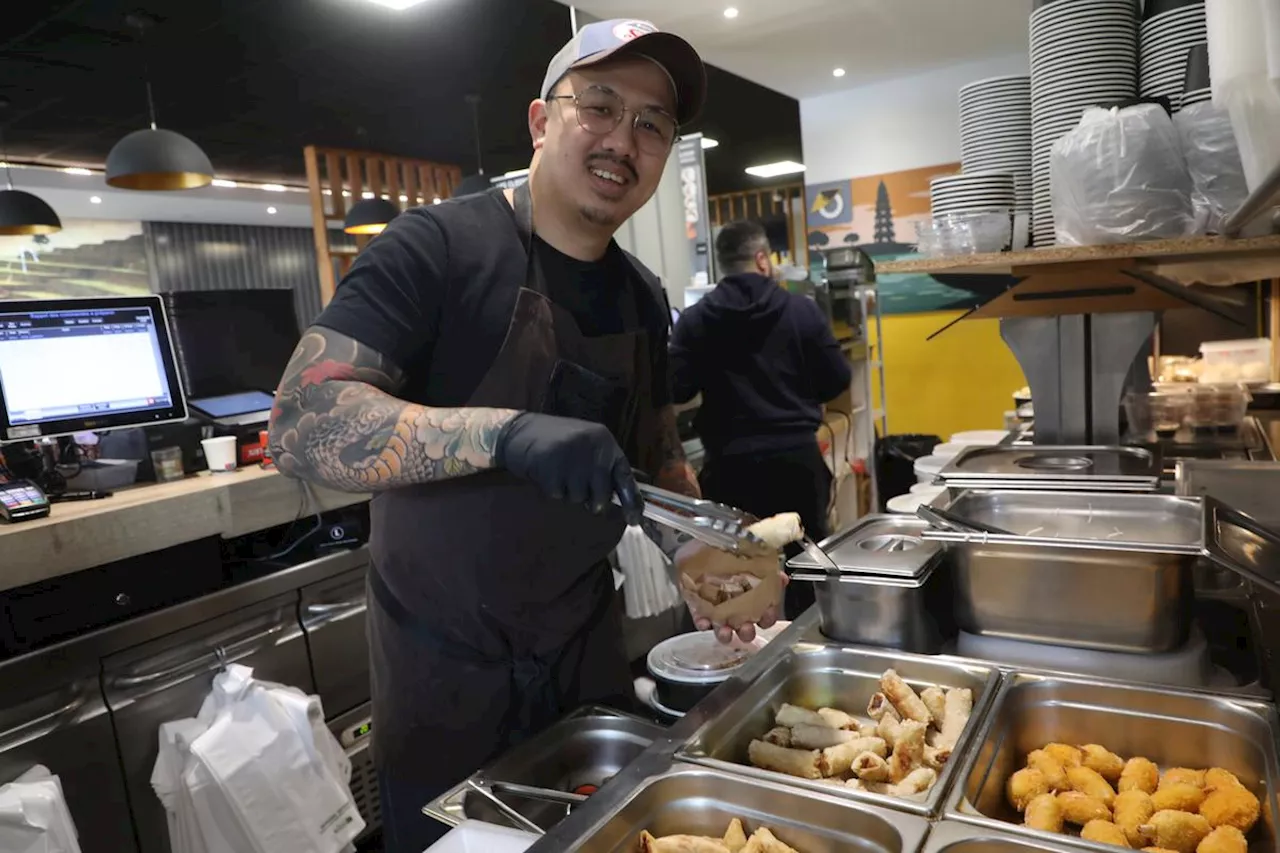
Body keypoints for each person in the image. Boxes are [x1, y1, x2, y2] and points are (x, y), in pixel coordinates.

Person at [267, 20, 780, 851]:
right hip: (446, 674)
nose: (624, 139)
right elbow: (299, 421)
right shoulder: (433, 251)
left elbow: (653, 457)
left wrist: (698, 550)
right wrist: (505, 434)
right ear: (542, 122)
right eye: (601, 107)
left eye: (653, 123)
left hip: (584, 656)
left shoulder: (642, 297)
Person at [669, 220, 853, 618]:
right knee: (808, 571)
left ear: (722, 265)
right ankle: (811, 655)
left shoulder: (697, 320)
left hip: (730, 472)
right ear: (762, 259)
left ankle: (746, 663)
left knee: (737, 579)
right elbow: (837, 378)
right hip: (797, 466)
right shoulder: (801, 311)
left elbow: (675, 389)